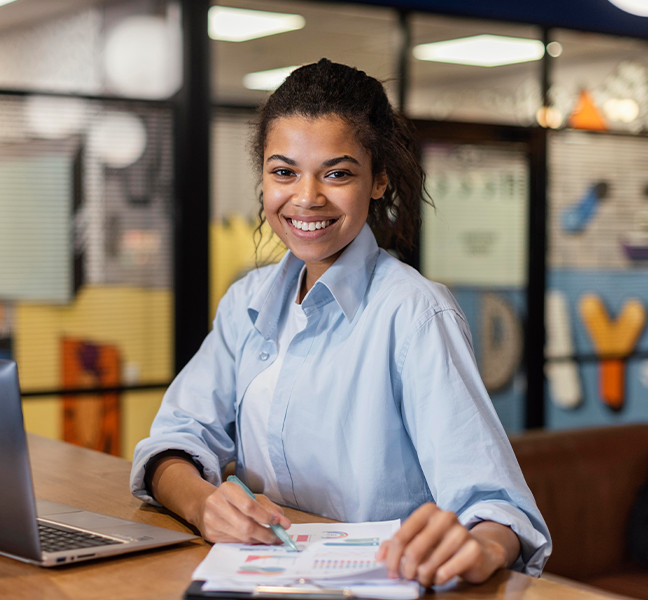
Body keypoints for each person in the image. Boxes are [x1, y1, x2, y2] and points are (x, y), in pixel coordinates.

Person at [130, 58, 550, 587]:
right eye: (284, 171)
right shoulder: (246, 303)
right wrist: (204, 505)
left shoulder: (415, 312)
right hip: (264, 580)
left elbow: (498, 510)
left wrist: (478, 545)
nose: (307, 197)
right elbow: (173, 441)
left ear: (378, 182)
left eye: (337, 173)